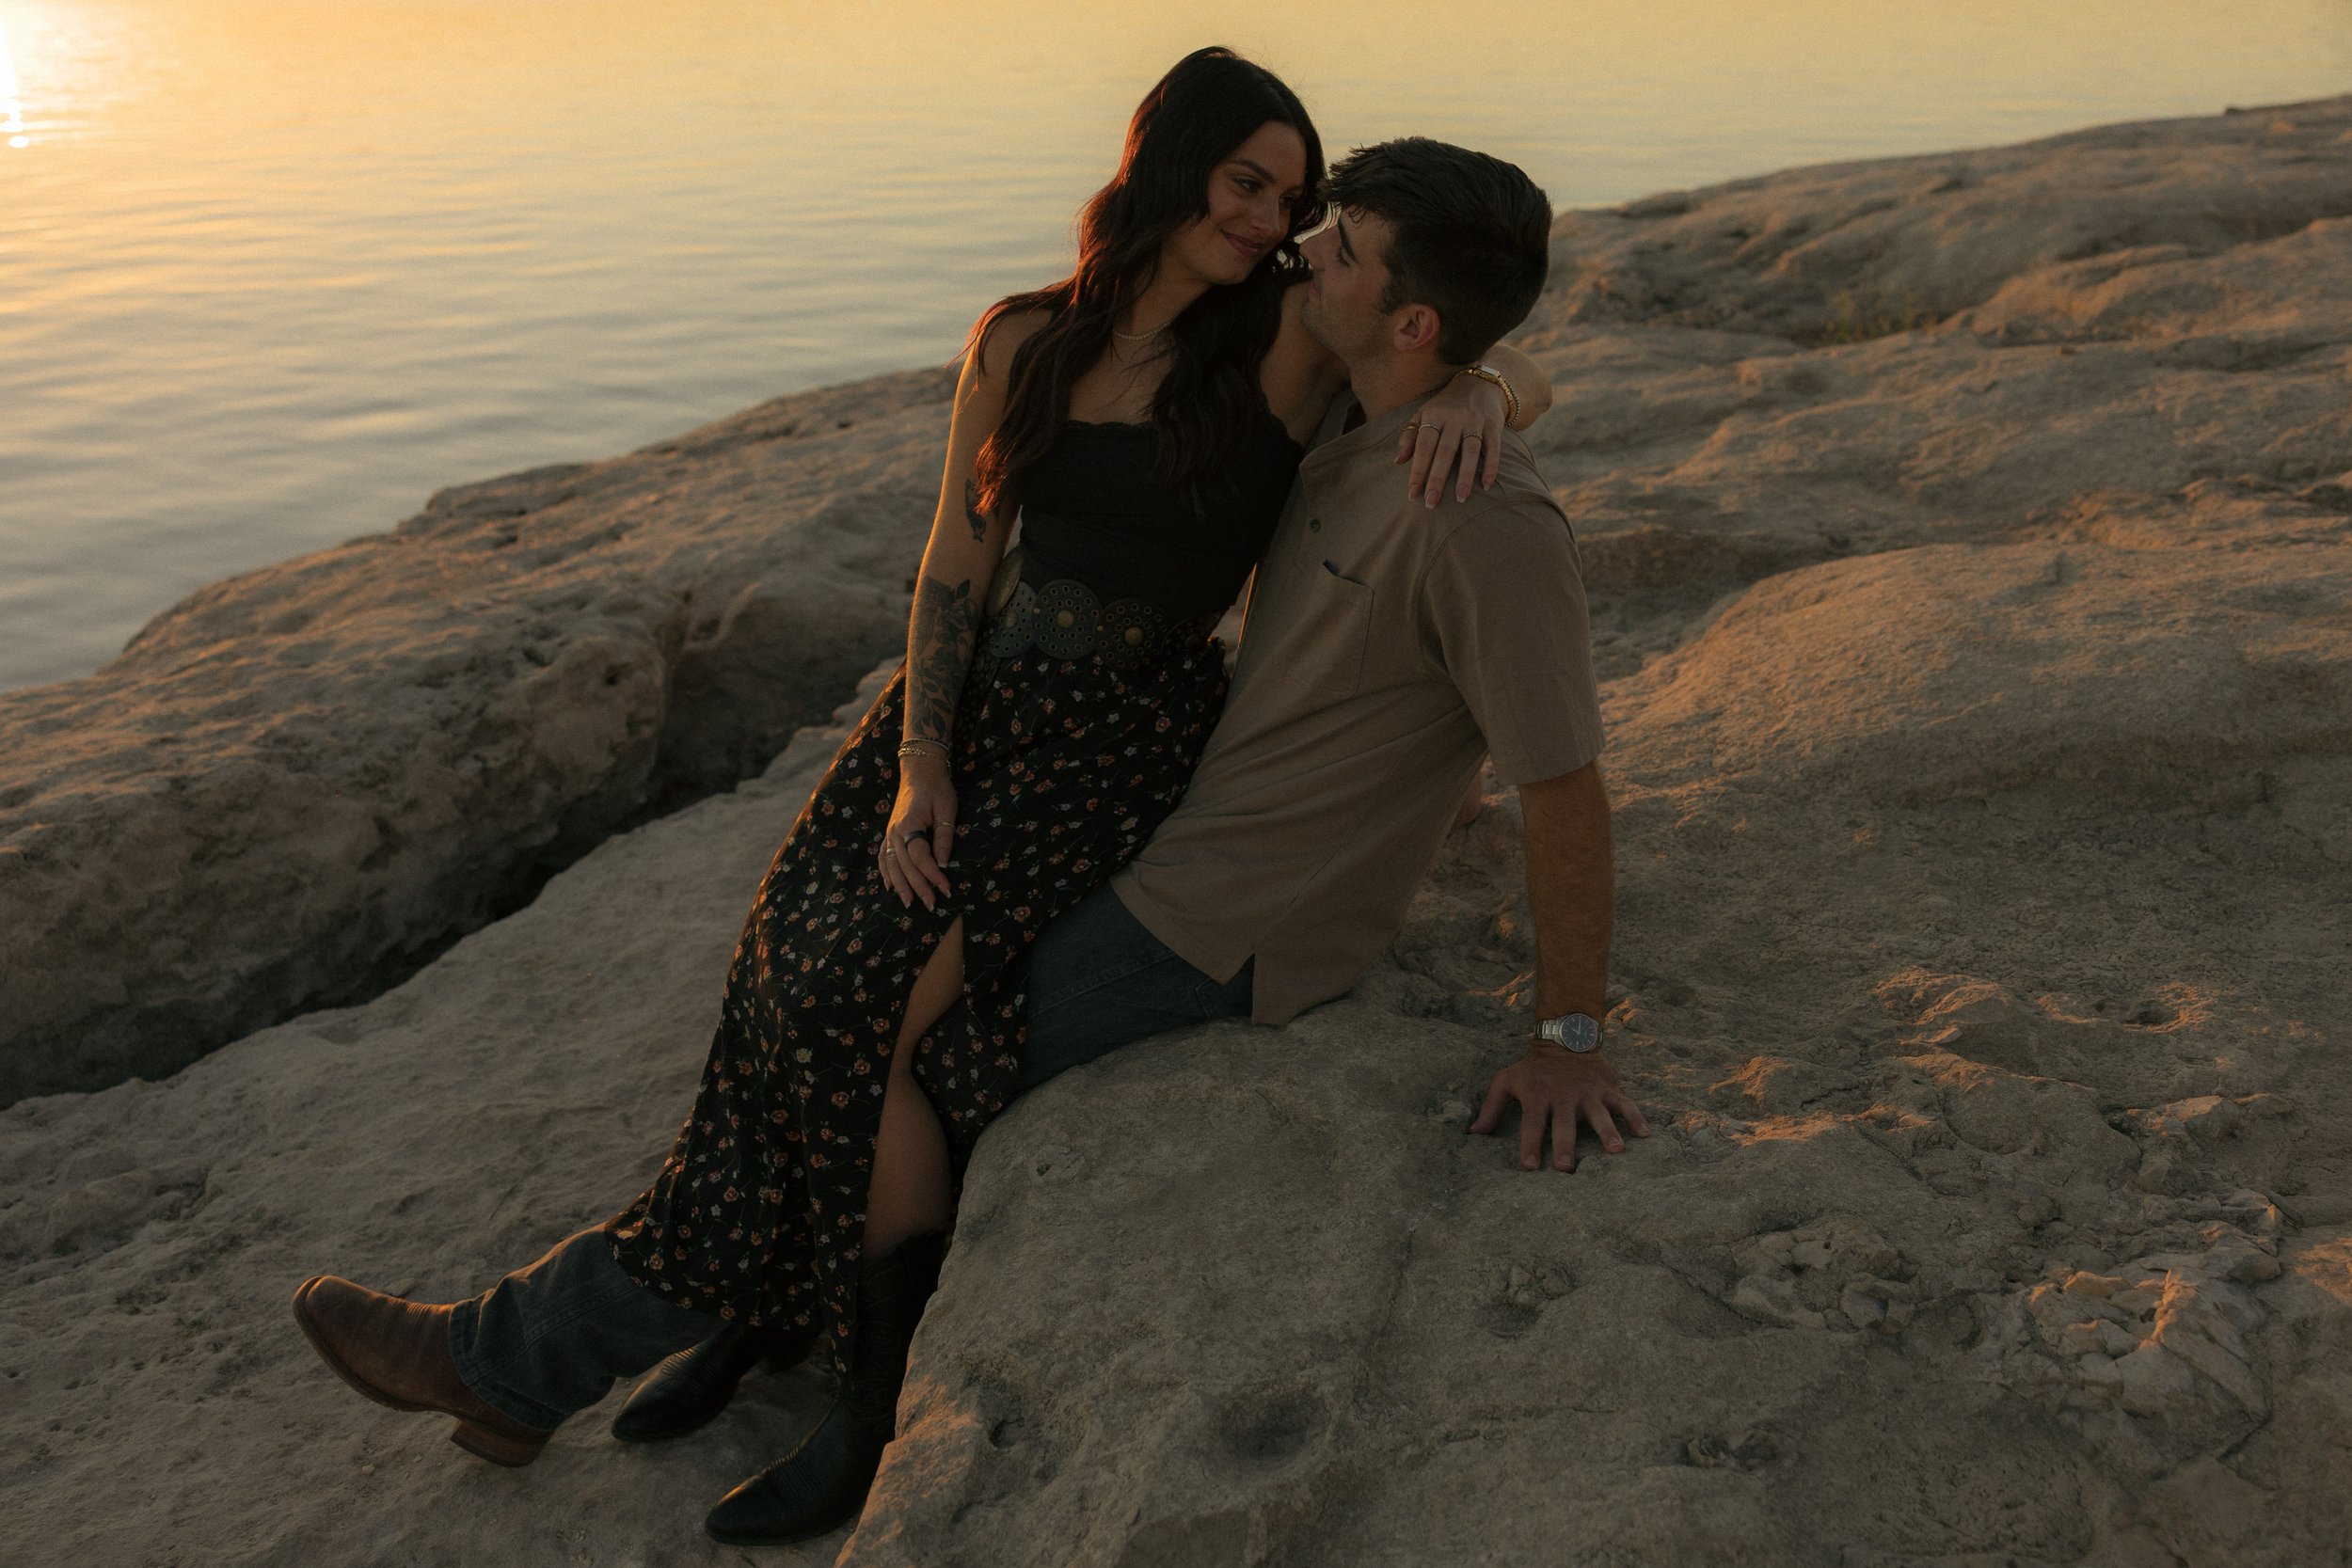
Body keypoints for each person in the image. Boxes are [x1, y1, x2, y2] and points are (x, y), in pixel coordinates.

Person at [289, 49, 1554, 1549]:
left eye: (1292, 197)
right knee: (780, 971)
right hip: (967, 721)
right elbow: (955, 568)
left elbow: (1454, 336)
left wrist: (1492, 384)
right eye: (1246, 183)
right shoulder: (1022, 343)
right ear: (1171, 165)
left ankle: (832, 1399)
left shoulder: (1284, 339)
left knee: (867, 1016)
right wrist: (920, 765)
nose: (1274, 220)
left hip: (1116, 744)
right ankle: (706, 1327)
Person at [612, 135, 1647, 1541]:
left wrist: (1566, 1036)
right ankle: (775, 1310)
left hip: (1237, 922)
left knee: (902, 1043)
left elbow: (1566, 785)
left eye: (1336, 250)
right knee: (825, 961)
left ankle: (864, 1410)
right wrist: (1492, 376)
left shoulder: (1487, 523)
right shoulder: (1366, 408)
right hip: (1167, 828)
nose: (1303, 256)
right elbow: (1484, 360)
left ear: (1408, 319)